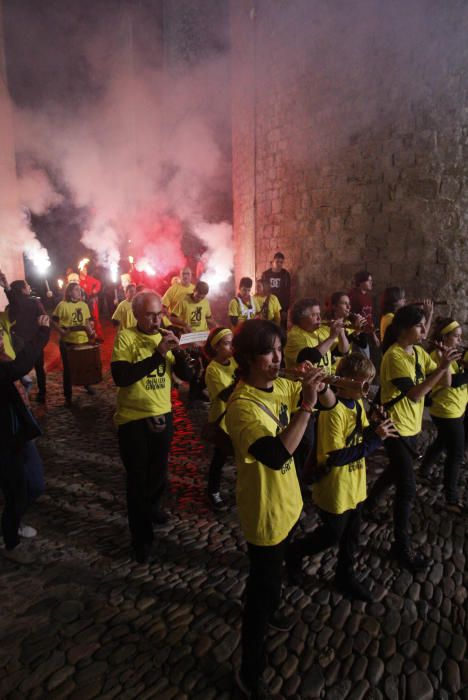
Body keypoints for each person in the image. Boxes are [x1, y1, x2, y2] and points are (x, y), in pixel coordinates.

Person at [225, 319, 335, 699]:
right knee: (261, 589)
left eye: (279, 349)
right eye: (269, 351)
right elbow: (276, 454)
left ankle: (270, 606)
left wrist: (319, 387)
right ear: (248, 358)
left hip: (288, 502)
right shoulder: (240, 407)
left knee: (271, 580)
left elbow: (329, 405)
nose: (278, 358)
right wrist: (306, 403)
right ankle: (248, 671)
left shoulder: (283, 385)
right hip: (265, 512)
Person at [286, 353, 397, 601]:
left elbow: (359, 433)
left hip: (355, 484)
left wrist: (375, 425)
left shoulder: (357, 404)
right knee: (332, 535)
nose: (367, 389)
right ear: (345, 381)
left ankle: (345, 576)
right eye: (363, 383)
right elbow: (336, 456)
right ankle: (294, 552)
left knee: (352, 535)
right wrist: (375, 438)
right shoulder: (331, 412)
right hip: (335, 487)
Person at [363, 305, 460, 571]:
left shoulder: (417, 351)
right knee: (407, 487)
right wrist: (441, 368)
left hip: (412, 427)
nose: (424, 331)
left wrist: (445, 364)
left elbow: (446, 384)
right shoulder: (395, 356)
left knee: (395, 472)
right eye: (419, 326)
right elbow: (416, 395)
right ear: (404, 330)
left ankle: (369, 504)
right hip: (395, 428)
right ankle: (400, 545)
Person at [111, 291, 193, 564]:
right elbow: (122, 377)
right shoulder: (126, 337)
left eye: (160, 313)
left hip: (163, 415)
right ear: (136, 315)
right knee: (137, 480)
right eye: (150, 314)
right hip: (133, 419)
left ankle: (154, 509)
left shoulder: (165, 336)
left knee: (159, 470)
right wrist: (159, 354)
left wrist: (179, 352)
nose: (157, 320)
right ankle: (141, 538)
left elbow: (186, 377)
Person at [0, 314, 50, 564]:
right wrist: (42, 333)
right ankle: (11, 540)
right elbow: (20, 367)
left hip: (20, 433)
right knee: (15, 490)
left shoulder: (3, 354)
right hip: (5, 440)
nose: (1, 337)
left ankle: (14, 519)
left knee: (36, 485)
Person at [420, 318, 467, 513]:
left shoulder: (452, 353)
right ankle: (451, 499)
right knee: (455, 454)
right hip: (446, 411)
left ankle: (423, 470)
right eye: (456, 336)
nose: (459, 340)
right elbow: (452, 382)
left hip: (456, 408)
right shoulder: (436, 355)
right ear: (445, 337)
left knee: (441, 442)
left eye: (460, 336)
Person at [0, 272, 48, 403]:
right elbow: (43, 318)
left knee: (19, 371)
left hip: (19, 344)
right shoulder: (34, 302)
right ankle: (42, 393)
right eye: (27, 286)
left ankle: (24, 392)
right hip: (35, 342)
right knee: (39, 369)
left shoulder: (9, 307)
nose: (30, 287)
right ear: (22, 289)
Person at [204, 327, 237, 511]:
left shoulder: (234, 361)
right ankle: (213, 491)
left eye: (232, 342)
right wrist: (241, 377)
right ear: (216, 347)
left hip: (239, 417)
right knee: (220, 457)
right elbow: (225, 395)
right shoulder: (212, 369)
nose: (231, 347)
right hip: (223, 421)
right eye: (226, 343)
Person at [52, 282, 97, 406]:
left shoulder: (84, 305)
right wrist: (61, 330)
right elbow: (54, 321)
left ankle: (87, 385)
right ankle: (68, 395)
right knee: (68, 369)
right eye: (77, 290)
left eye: (80, 290)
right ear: (70, 292)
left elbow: (87, 321)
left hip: (83, 340)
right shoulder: (62, 305)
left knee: (85, 365)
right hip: (68, 342)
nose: (80, 292)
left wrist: (92, 333)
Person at [284, 297, 349, 372]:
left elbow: (343, 351)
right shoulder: (294, 336)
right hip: (301, 383)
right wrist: (332, 337)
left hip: (323, 382)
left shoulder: (320, 331)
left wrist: (341, 333)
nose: (319, 318)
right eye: (314, 315)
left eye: (319, 314)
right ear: (301, 318)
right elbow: (310, 358)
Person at [261, 252, 291, 329]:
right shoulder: (266, 274)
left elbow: (287, 293)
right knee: (268, 327)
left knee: (281, 328)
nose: (279, 264)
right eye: (277, 261)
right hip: (269, 305)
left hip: (281, 306)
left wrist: (285, 309)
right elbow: (263, 291)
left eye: (281, 262)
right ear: (273, 262)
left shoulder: (285, 274)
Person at [79, 265, 103, 341]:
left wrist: (95, 290)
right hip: (82, 303)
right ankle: (87, 337)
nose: (86, 271)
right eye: (84, 270)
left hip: (91, 301)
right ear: (80, 271)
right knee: (84, 319)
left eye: (86, 270)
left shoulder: (89, 278)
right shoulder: (77, 280)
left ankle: (98, 336)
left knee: (95, 318)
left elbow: (98, 283)